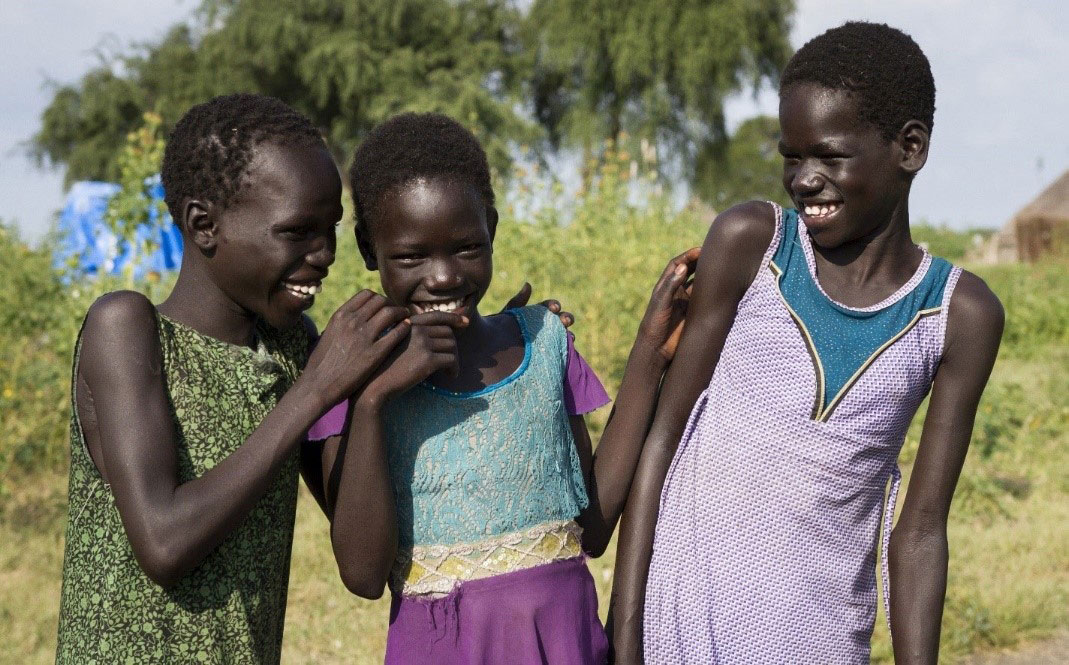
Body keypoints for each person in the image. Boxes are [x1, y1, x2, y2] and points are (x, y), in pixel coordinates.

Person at [54, 94, 553, 664]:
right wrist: (316, 389)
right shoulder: (127, 327)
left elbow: (363, 553)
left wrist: (483, 348)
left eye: (332, 229)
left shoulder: (292, 348)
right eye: (297, 232)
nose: (325, 255)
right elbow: (164, 542)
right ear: (204, 224)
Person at [610, 22, 1004, 665]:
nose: (804, 179)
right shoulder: (753, 246)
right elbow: (663, 439)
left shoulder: (957, 313)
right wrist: (624, 638)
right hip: (676, 629)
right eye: (792, 157)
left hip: (816, 639)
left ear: (909, 148)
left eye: (830, 156)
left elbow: (922, 531)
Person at [306, 112, 697, 664]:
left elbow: (591, 529)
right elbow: (363, 575)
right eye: (412, 255)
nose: (443, 277)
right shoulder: (353, 374)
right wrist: (372, 401)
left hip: (564, 644)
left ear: (492, 227)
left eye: (466, 247)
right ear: (370, 251)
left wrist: (649, 354)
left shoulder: (543, 346)